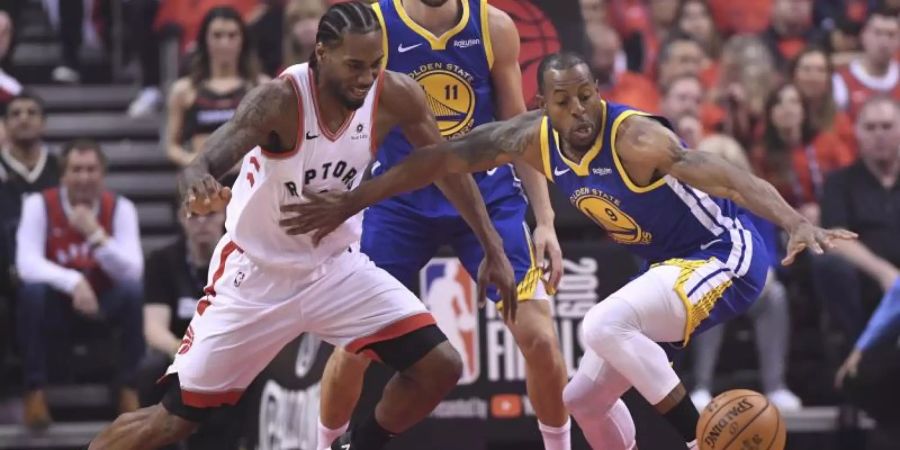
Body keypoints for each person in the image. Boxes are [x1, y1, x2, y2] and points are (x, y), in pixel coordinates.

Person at [284, 52, 856, 450]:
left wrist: (794, 221)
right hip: (673, 265)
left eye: (587, 96)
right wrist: (353, 198)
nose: (580, 110)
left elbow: (730, 178)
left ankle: (695, 434)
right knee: (580, 397)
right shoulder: (527, 137)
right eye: (565, 100)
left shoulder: (637, 138)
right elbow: (435, 160)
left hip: (726, 255)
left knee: (603, 324)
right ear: (544, 103)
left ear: (598, 92)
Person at [87, 2, 515, 449]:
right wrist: (199, 184)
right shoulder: (282, 99)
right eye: (354, 65)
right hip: (256, 277)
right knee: (170, 422)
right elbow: (205, 160)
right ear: (322, 52)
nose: (365, 78)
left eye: (375, 65)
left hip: (335, 269)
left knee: (440, 366)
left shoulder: (394, 94)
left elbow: (444, 165)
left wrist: (493, 247)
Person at [313, 1, 571, 449]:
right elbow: (344, 121)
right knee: (354, 346)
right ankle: (323, 443)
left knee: (541, 340)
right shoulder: (375, 26)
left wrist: (545, 219)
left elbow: (519, 130)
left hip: (486, 193)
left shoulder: (494, 27)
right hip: (401, 199)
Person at [15, 139, 144, 430]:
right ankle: (34, 390)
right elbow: (26, 264)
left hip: (102, 305)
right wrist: (73, 282)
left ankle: (128, 388)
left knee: (132, 292)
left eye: (91, 170)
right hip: (57, 307)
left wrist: (96, 235)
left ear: (103, 174)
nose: (84, 177)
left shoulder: (121, 208)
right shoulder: (39, 204)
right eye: (76, 170)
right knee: (31, 292)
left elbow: (133, 270)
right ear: (63, 175)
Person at [689, 134, 802, 412]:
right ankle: (701, 386)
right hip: (705, 282)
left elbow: (770, 253)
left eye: (729, 166)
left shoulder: (756, 201)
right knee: (708, 295)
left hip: (752, 282)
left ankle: (776, 386)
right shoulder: (687, 203)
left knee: (775, 295)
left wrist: (763, 276)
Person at [138, 191, 247, 449]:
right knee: (149, 370)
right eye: (193, 215)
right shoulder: (161, 261)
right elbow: (153, 328)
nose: (201, 223)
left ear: (224, 216)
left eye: (210, 215)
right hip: (178, 354)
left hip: (228, 353)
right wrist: (183, 351)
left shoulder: (241, 260)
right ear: (180, 218)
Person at [813, 96, 900, 343]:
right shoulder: (840, 182)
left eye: (887, 126)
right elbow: (835, 236)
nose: (879, 135)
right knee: (829, 266)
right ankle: (857, 351)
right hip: (866, 281)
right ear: (858, 134)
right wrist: (885, 274)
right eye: (871, 128)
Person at [165, 7, 268, 176]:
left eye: (232, 35)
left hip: (248, 181)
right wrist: (194, 160)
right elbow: (171, 146)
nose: (224, 43)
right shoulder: (184, 90)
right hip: (202, 182)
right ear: (205, 39)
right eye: (217, 35)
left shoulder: (261, 87)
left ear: (243, 39)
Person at [751, 83, 854, 224]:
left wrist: (825, 209)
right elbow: (760, 202)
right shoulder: (761, 155)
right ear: (770, 114)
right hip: (784, 227)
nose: (787, 109)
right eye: (778, 103)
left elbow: (850, 181)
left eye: (794, 102)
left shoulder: (828, 143)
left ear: (804, 111)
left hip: (833, 218)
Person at [833, 7, 900, 120]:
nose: (884, 42)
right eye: (877, 33)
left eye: (891, 35)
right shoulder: (841, 81)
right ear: (863, 35)